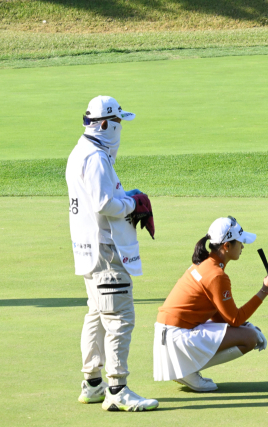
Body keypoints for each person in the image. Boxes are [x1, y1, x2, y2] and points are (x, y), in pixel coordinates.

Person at [66, 95, 158, 412]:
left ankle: (93, 383)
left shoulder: (84, 151)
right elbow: (104, 203)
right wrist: (134, 204)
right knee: (119, 318)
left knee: (97, 314)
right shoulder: (94, 157)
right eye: (118, 123)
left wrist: (126, 197)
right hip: (106, 251)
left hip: (90, 248)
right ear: (105, 123)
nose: (120, 129)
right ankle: (117, 389)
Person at [153, 216, 268, 391]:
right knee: (249, 338)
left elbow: (219, 315)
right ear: (226, 246)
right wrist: (264, 290)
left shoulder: (205, 264)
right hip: (177, 338)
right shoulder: (217, 275)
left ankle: (186, 369)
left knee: (248, 331)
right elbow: (234, 319)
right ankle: (187, 370)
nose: (243, 246)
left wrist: (247, 325)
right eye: (240, 242)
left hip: (171, 333)